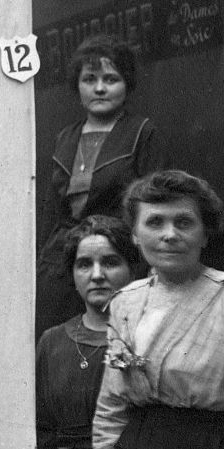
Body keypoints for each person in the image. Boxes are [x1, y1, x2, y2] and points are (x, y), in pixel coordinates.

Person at [91, 170, 224, 449]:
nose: (170, 234)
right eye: (155, 222)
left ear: (205, 234)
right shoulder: (125, 302)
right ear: (135, 234)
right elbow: (110, 406)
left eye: (184, 222)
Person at [39, 35, 165, 333]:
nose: (99, 88)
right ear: (77, 86)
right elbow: (50, 213)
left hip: (119, 258)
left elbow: (155, 206)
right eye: (89, 79)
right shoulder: (65, 138)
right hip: (63, 263)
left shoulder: (141, 133)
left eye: (111, 79)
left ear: (126, 84)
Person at [35, 215, 143, 449]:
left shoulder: (145, 335)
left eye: (110, 262)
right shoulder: (52, 342)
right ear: (72, 274)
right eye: (84, 264)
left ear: (132, 268)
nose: (97, 275)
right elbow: (40, 430)